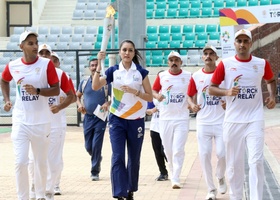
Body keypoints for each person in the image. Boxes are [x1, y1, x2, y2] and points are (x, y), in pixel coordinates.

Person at [209, 29, 277, 200]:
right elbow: (211, 88)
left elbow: (270, 80)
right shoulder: (225, 64)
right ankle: (236, 196)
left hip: (254, 118)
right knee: (233, 165)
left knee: (256, 162)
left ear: (250, 43)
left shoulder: (261, 63)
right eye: (239, 41)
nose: (242, 44)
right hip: (233, 120)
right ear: (234, 44)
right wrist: (227, 92)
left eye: (245, 41)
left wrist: (272, 96)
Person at [0, 30, 60, 200]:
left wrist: (38, 91)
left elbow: (56, 89)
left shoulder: (46, 65)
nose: (35, 46)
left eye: (36, 42)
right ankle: (23, 197)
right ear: (22, 46)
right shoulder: (13, 65)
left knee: (40, 163)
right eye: (30, 43)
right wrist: (6, 99)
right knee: (20, 162)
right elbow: (4, 80)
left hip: (42, 122)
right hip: (21, 121)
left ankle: (40, 194)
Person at [92, 39, 153, 200]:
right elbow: (95, 86)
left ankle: (130, 189)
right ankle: (119, 192)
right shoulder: (113, 71)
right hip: (117, 119)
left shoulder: (141, 72)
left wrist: (135, 92)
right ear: (120, 52)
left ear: (134, 53)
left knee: (134, 156)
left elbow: (149, 95)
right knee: (118, 156)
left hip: (136, 119)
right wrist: (99, 63)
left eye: (130, 50)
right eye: (124, 50)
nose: (127, 53)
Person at [187, 45, 227, 200]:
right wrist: (192, 105)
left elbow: (231, 92)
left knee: (222, 153)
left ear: (217, 57)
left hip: (221, 121)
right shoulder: (196, 76)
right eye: (206, 54)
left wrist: (227, 103)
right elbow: (190, 95)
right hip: (203, 122)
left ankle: (220, 176)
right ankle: (211, 189)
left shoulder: (224, 75)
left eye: (212, 54)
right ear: (202, 57)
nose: (208, 56)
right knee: (204, 155)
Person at [152, 51, 191, 189]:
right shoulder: (162, 76)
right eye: (171, 60)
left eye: (176, 60)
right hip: (165, 118)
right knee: (168, 150)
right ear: (168, 62)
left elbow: (193, 93)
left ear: (181, 62)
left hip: (182, 118)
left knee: (178, 149)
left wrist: (192, 104)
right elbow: (154, 90)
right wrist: (157, 97)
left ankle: (176, 177)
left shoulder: (188, 76)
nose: (174, 62)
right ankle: (173, 171)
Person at [76, 57, 111, 182]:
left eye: (97, 65)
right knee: (88, 146)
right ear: (89, 67)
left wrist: (107, 103)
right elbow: (77, 96)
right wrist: (79, 105)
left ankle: (94, 171)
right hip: (88, 117)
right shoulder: (84, 82)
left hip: (100, 118)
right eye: (92, 65)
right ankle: (97, 158)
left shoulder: (105, 83)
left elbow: (113, 98)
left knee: (97, 144)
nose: (94, 67)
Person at [146, 70, 168, 182]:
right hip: (155, 125)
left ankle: (173, 168)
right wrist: (149, 111)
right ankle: (163, 172)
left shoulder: (169, 91)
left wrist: (156, 109)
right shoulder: (153, 93)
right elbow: (149, 107)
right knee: (157, 150)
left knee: (165, 150)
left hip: (167, 124)